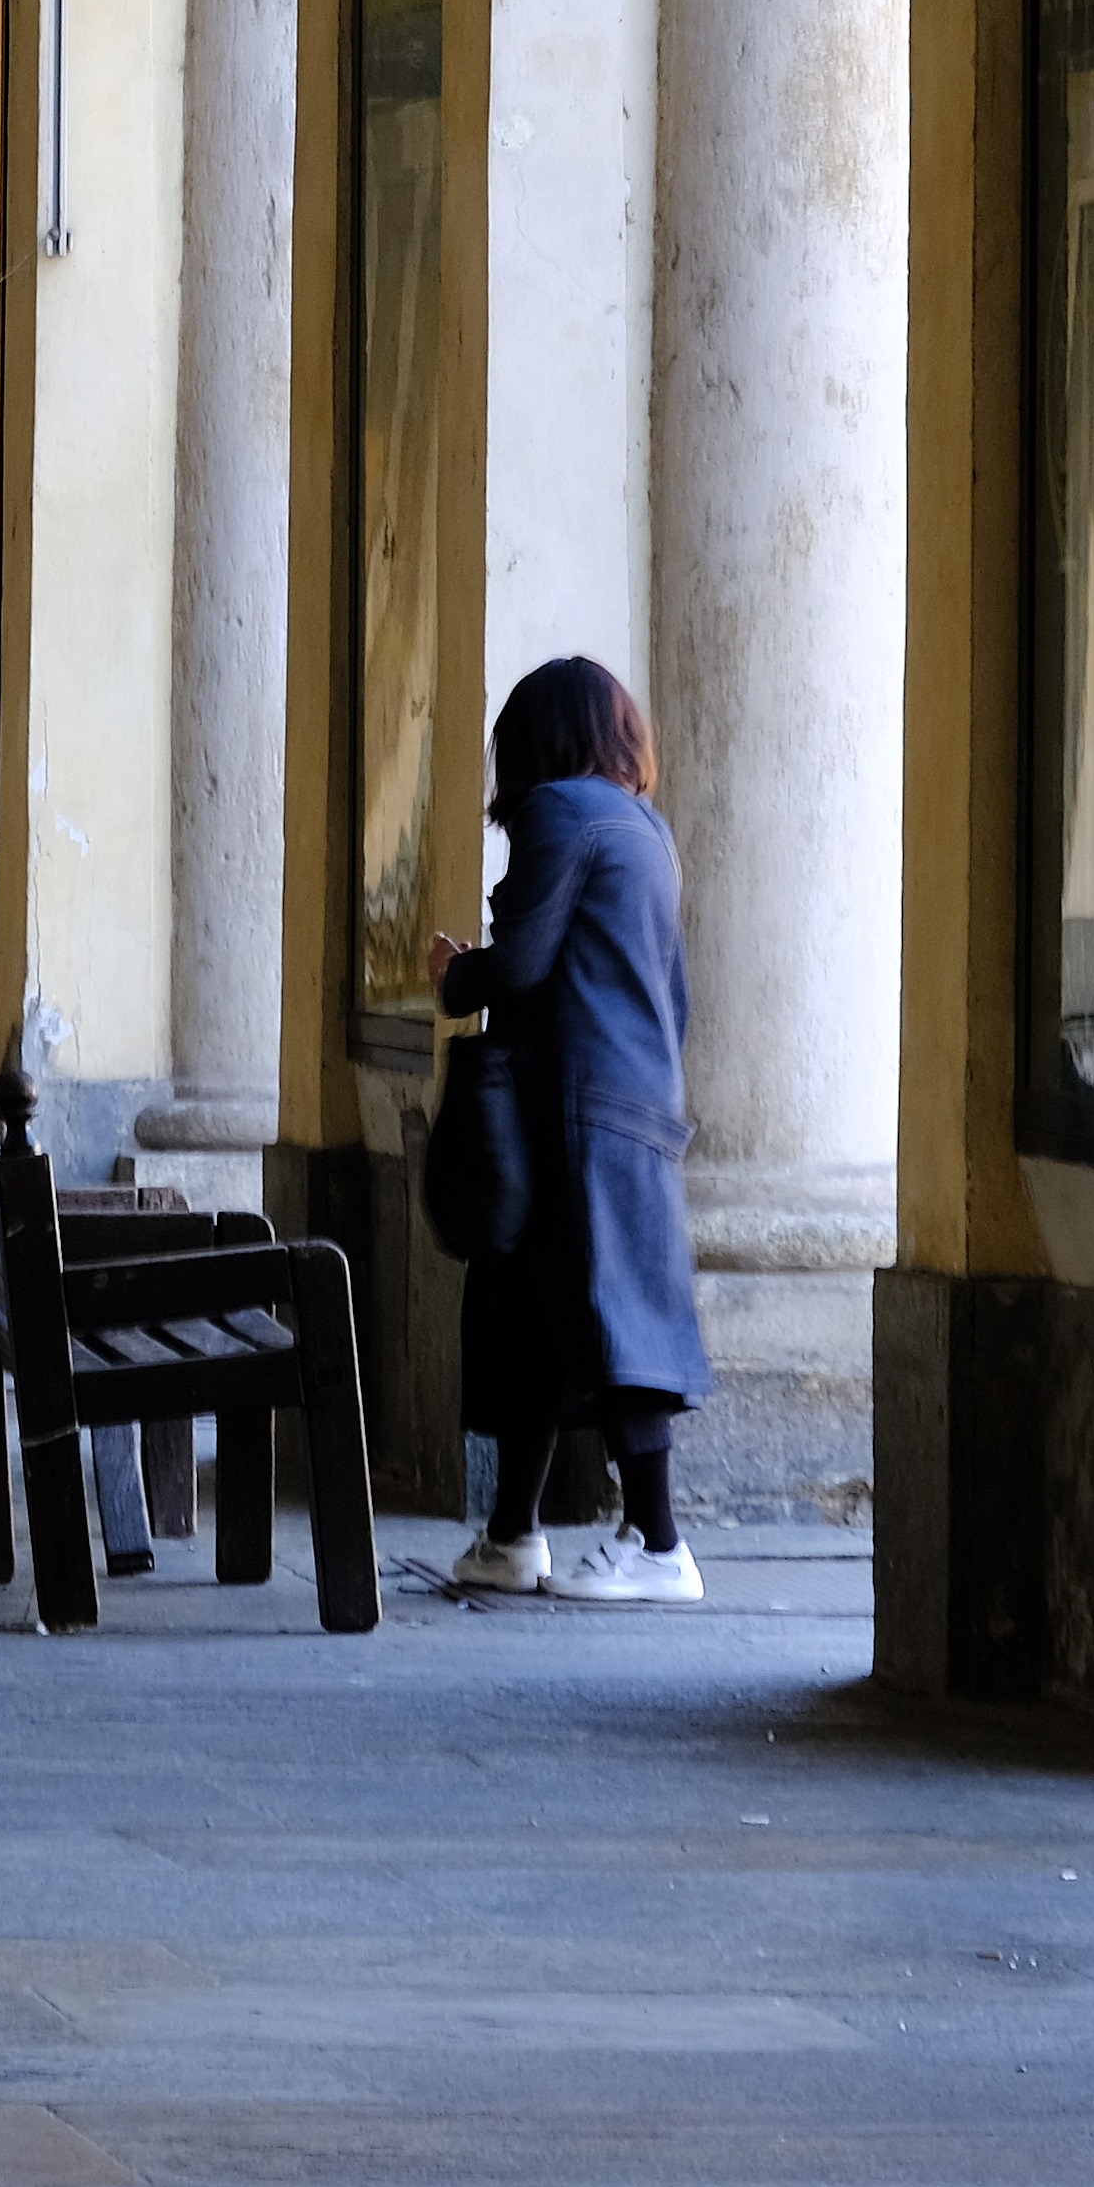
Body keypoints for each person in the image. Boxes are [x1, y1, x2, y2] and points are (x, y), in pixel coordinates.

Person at [418, 655, 714, 1606]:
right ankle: (511, 1535)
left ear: (532, 740)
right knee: (535, 1318)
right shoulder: (645, 829)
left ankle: (659, 1544)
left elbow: (523, 964)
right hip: (629, 1095)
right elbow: (666, 985)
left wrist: (454, 974)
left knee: (607, 1311)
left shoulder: (559, 813)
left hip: (575, 1104)